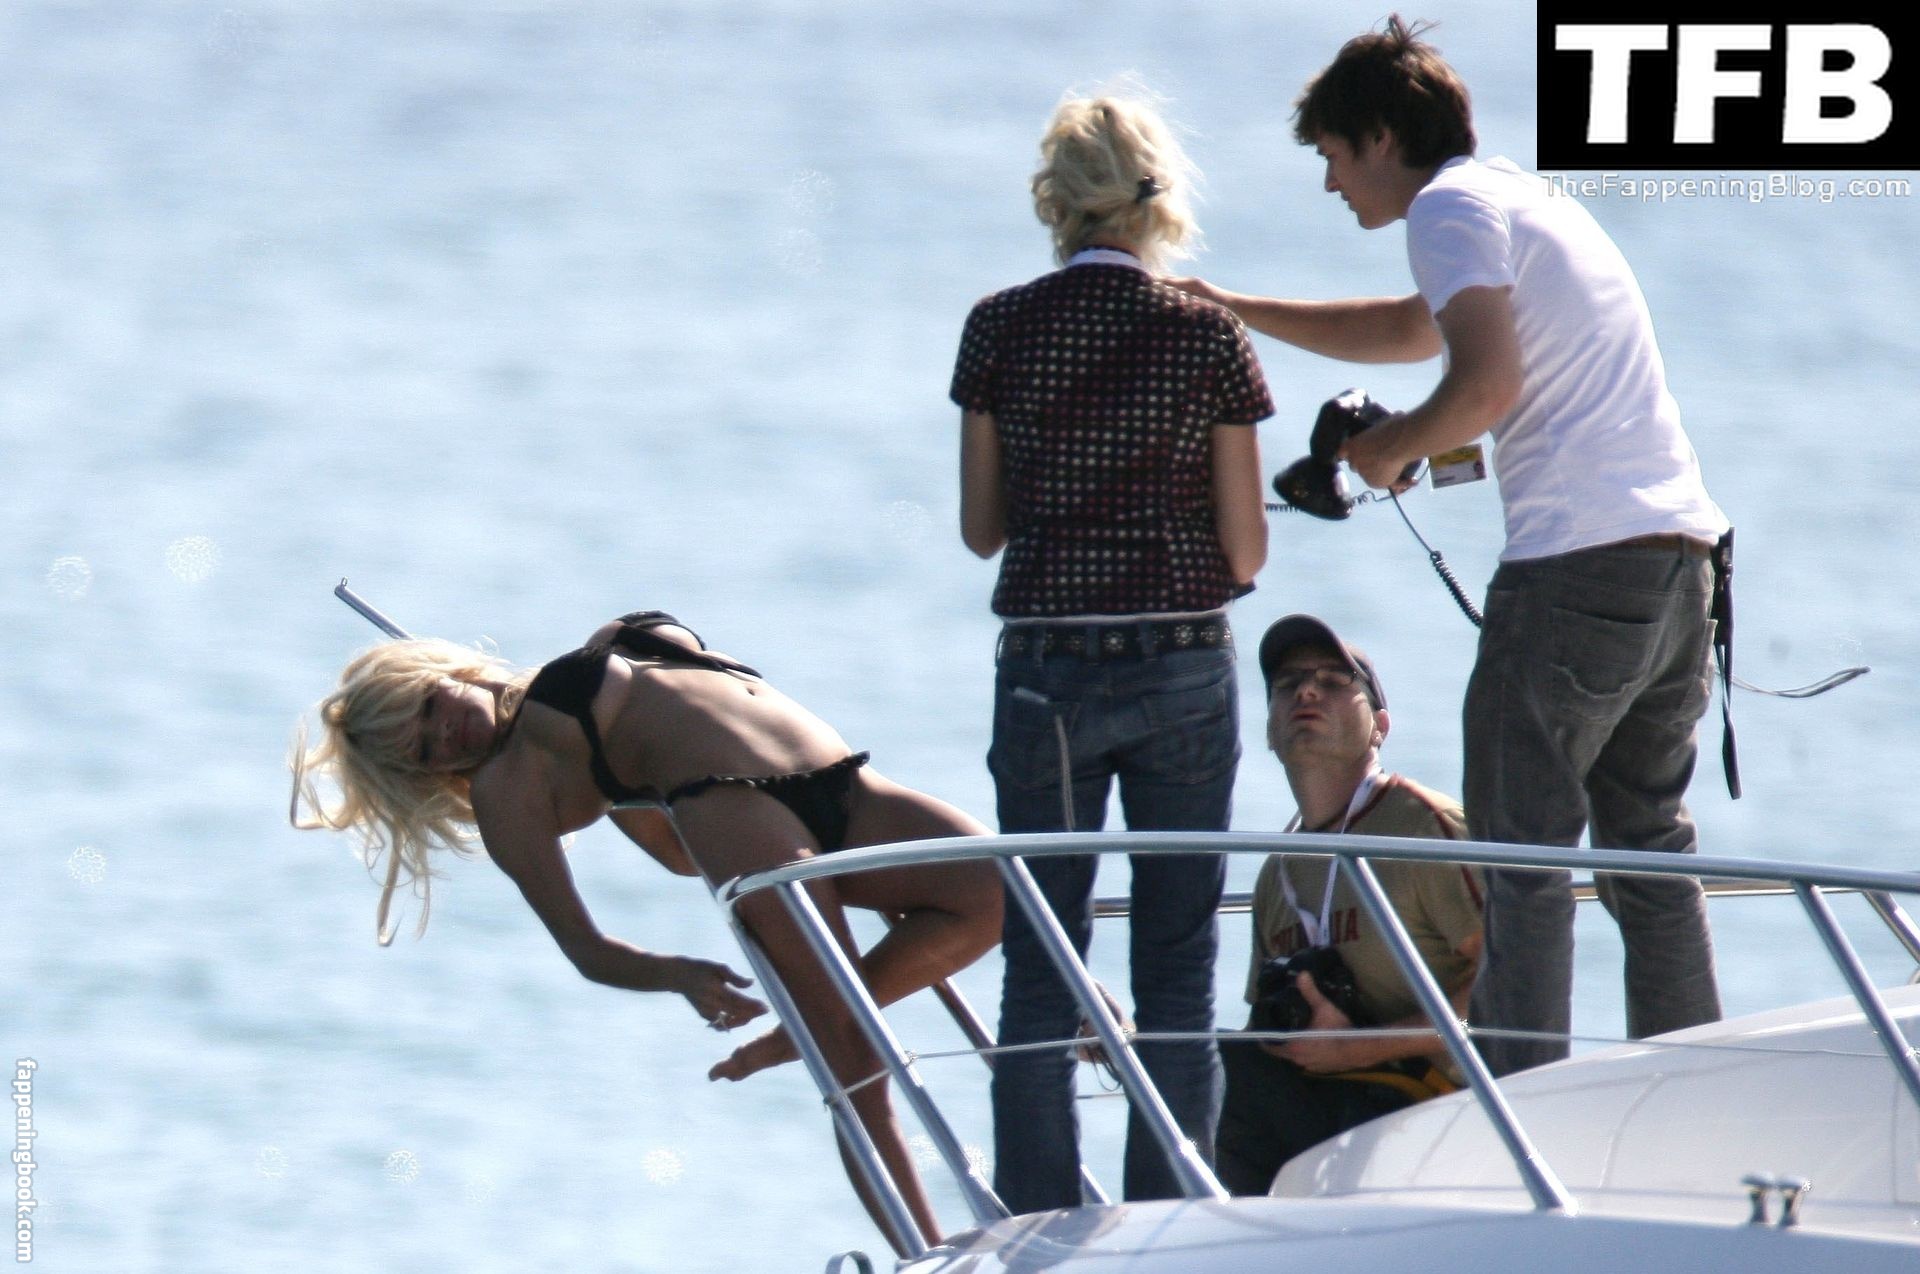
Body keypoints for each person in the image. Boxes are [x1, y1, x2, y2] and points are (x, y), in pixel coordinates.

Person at [1174, 17, 1728, 1075]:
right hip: (1681, 563)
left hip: (1576, 570)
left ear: (1382, 137)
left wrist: (1389, 448)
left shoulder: (1447, 208)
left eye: (1333, 155)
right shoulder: (1520, 199)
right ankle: (1693, 1084)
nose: (1330, 184)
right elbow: (1412, 327)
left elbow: (1483, 384)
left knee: (1519, 855)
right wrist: (1234, 308)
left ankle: (1521, 1105)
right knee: (1650, 850)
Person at [289, 610, 1002, 1253]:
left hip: (842, 779)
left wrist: (626, 776)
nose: (446, 734)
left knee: (995, 893)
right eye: (423, 751)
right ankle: (926, 1253)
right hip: (738, 811)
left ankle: (802, 1033)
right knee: (857, 1065)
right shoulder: (507, 789)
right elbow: (587, 949)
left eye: (430, 707)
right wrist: (678, 974)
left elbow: (668, 847)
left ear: (445, 673)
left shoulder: (615, 646)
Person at [951, 91, 1274, 1213]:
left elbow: (982, 530)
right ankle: (1168, 1223)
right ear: (1155, 200)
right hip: (1182, 660)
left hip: (1045, 669)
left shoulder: (998, 326)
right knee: (1178, 970)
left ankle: (1039, 1224)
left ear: (1056, 198)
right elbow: (1245, 552)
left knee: (1041, 966)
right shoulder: (1207, 333)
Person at [1215, 615, 1482, 1195]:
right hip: (1329, 1111)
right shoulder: (1278, 872)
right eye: (1287, 684)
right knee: (1202, 1068)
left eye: (1335, 681)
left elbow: (1512, 992)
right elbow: (1264, 1036)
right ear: (1269, 731)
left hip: (1435, 1109)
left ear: (1380, 725)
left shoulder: (1423, 829)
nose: (1307, 693)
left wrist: (1360, 1046)